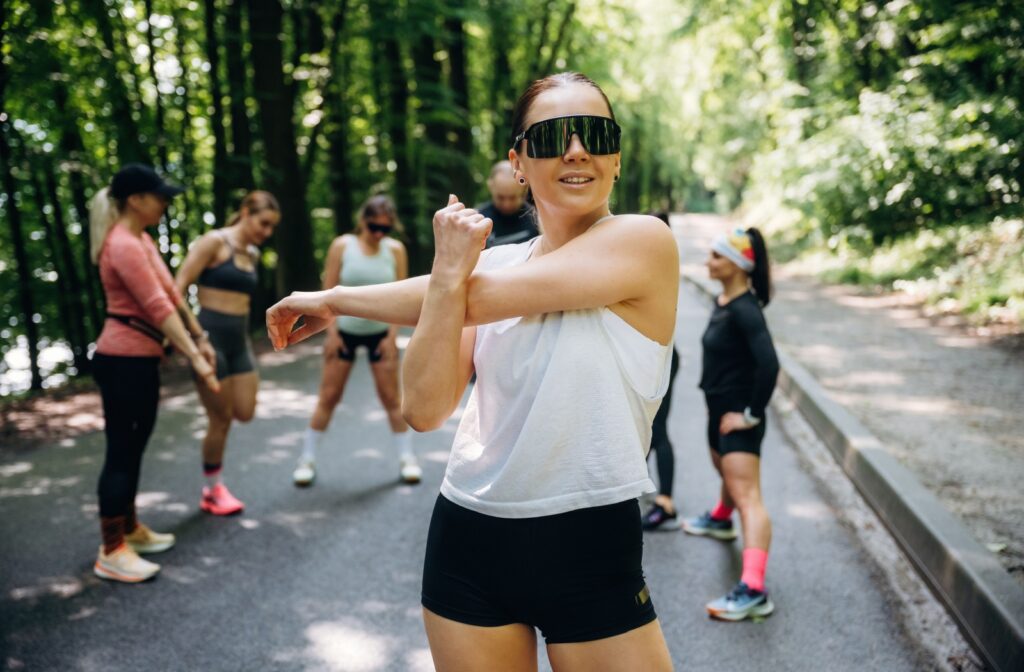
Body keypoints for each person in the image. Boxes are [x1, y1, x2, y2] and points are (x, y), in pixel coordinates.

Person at [267, 72, 677, 671]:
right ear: (518, 163)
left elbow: (480, 296)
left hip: (589, 542)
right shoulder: (487, 271)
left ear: (615, 156)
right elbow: (426, 409)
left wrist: (345, 298)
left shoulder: (643, 242)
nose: (575, 149)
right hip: (468, 540)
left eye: (593, 133)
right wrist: (409, 284)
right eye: (550, 137)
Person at [89, 164, 220, 583]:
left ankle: (129, 529)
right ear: (135, 200)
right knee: (122, 452)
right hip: (122, 360)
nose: (164, 202)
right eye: (159, 195)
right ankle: (111, 549)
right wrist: (196, 360)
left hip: (140, 361)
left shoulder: (140, 240)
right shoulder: (122, 245)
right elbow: (156, 309)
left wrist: (200, 338)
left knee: (135, 444)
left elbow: (171, 294)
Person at [681, 227, 780, 622]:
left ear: (738, 264)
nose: (708, 262)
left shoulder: (745, 310)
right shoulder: (725, 299)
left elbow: (770, 365)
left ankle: (754, 589)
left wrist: (750, 415)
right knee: (725, 472)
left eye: (716, 257)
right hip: (719, 410)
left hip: (738, 417)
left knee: (749, 498)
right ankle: (721, 518)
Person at [292, 195, 421, 487]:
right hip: (345, 332)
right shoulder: (342, 246)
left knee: (392, 399)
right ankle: (306, 460)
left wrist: (392, 337)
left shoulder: (395, 250)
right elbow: (326, 294)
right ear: (363, 221)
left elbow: (401, 294)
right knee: (329, 396)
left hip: (380, 334)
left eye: (385, 229)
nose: (378, 233)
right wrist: (332, 335)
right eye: (374, 226)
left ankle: (407, 459)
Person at [174, 191, 281, 515]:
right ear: (246, 212)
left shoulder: (252, 251)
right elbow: (175, 289)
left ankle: (214, 483)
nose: (266, 232)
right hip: (210, 341)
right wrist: (196, 338)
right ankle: (212, 490)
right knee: (220, 419)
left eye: (271, 227)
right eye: (263, 223)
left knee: (244, 412)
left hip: (239, 343)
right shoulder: (214, 242)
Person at [640, 210, 682, 531]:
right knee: (645, 426)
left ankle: (666, 501)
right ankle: (639, 487)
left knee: (659, 428)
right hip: (654, 353)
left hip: (658, 355)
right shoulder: (663, 260)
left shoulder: (654, 264)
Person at [477, 160, 539, 247]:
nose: (507, 204)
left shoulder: (538, 219)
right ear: (491, 187)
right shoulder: (478, 220)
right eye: (500, 197)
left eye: (513, 198)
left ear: (524, 189)